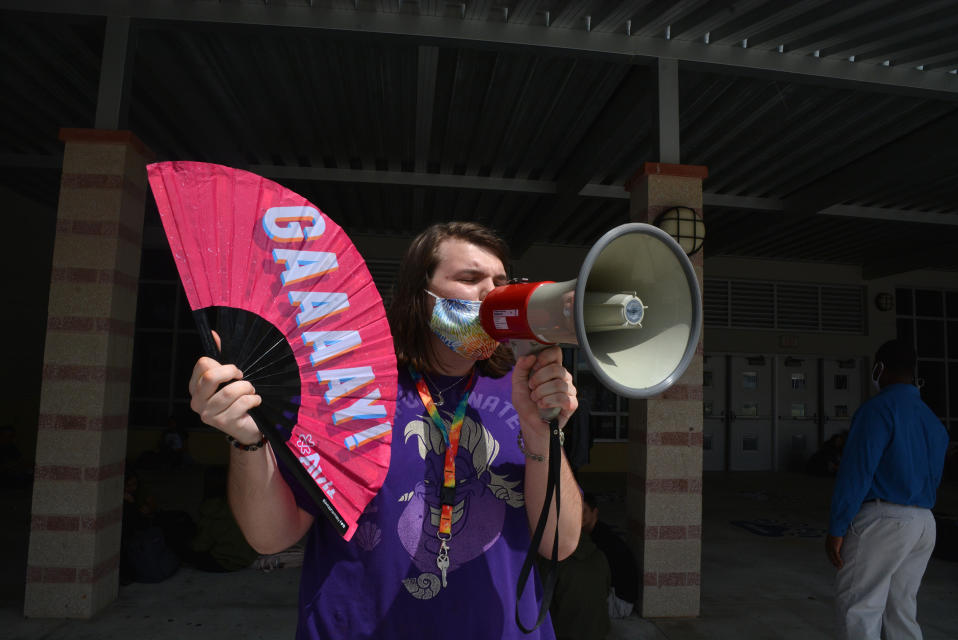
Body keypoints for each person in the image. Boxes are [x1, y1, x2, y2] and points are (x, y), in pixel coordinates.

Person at [188, 222, 581, 639]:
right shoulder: (346, 386)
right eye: (470, 278)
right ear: (420, 295)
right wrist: (248, 440)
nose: (492, 293)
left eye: (501, 282)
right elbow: (271, 538)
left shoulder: (523, 388)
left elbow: (560, 541)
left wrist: (542, 434)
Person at [825, 339, 949, 640]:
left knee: (860, 608)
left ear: (880, 368)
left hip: (883, 521)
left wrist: (838, 527)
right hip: (923, 524)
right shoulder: (932, 420)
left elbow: (857, 472)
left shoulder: (877, 410)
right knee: (902, 610)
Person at [544, 490, 611, 640]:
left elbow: (539, 602)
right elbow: (605, 591)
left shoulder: (552, 560)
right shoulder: (599, 555)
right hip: (599, 632)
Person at [582, 492, 639, 618]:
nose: (579, 516)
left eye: (584, 511)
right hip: (613, 594)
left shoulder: (600, 539)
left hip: (620, 603)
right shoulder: (593, 532)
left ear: (595, 512)